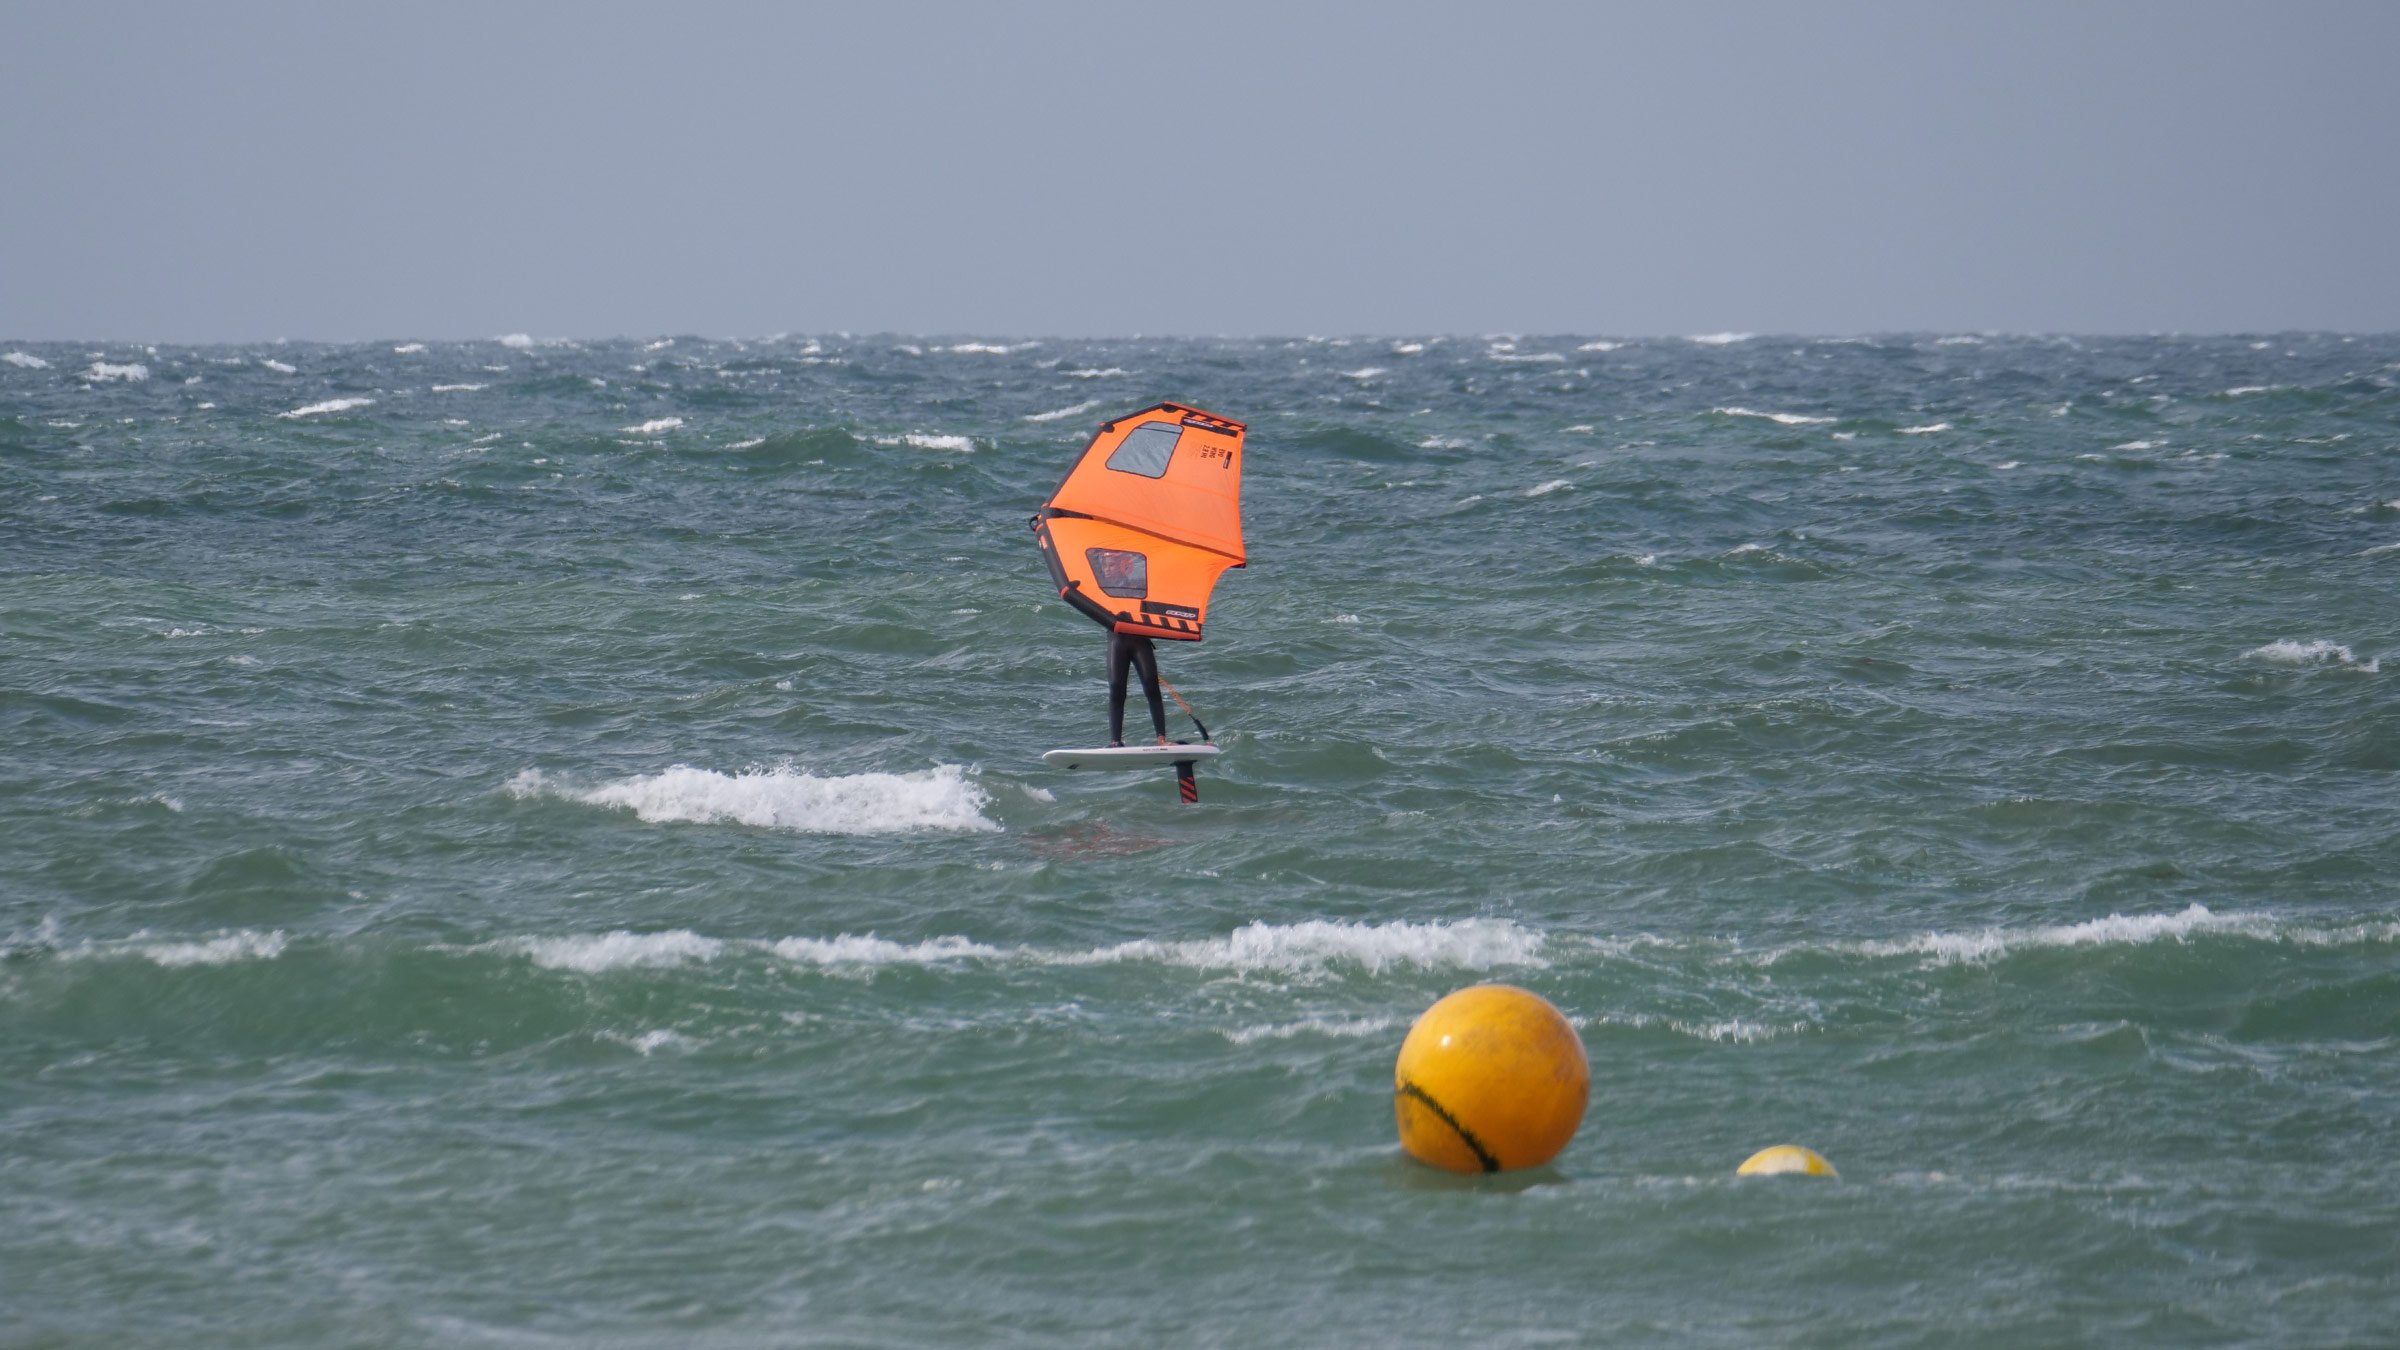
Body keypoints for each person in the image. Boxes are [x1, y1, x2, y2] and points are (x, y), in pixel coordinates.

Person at [1106, 629, 1171, 747]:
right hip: (1117, 638)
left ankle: (1161, 739)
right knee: (1116, 687)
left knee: (1151, 684)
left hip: (1141, 638)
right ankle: (1115, 741)